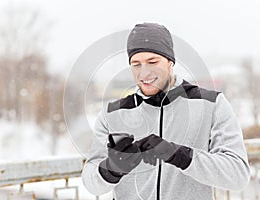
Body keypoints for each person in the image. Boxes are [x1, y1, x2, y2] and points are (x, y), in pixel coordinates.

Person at [82, 22, 250, 200]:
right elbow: (90, 182)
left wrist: (180, 156)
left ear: (171, 62)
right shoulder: (112, 114)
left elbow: (238, 175)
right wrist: (112, 169)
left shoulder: (211, 104)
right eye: (136, 64)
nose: (144, 73)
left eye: (152, 62)